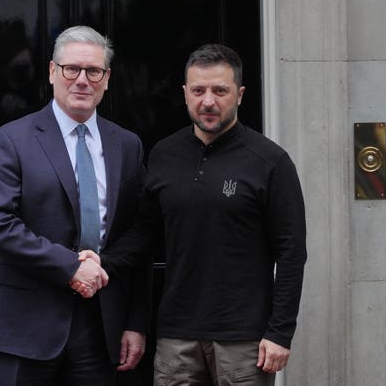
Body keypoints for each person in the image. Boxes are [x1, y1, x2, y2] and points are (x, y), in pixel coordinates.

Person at [81, 43, 307, 386]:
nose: (208, 101)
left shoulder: (270, 162)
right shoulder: (164, 155)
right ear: (185, 93)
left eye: (220, 90)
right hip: (176, 337)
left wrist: (280, 332)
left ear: (240, 94)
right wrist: (102, 262)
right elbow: (146, 233)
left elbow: (291, 253)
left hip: (244, 340)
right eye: (198, 90)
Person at [0, 25, 151, 386]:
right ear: (53, 72)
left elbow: (138, 236)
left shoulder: (127, 146)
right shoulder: (12, 139)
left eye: (93, 71)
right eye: (72, 69)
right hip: (22, 326)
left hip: (99, 327)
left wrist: (135, 322)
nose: (82, 80)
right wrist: (70, 267)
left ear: (107, 78)